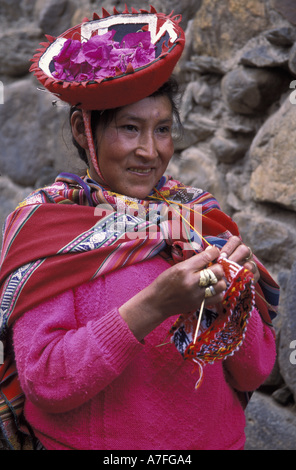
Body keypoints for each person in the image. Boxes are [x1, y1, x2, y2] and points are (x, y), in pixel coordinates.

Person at [0, 6, 279, 451]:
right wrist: (152, 305)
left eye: (163, 129)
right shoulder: (49, 227)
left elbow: (255, 370)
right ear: (82, 128)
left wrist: (231, 302)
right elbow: (46, 381)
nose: (150, 151)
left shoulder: (198, 218)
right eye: (130, 128)